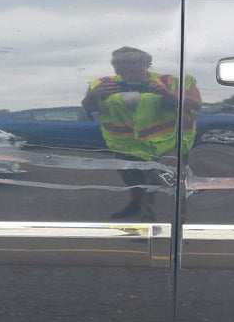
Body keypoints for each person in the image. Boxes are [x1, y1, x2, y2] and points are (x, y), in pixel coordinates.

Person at [82, 46, 200, 220]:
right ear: (115, 68)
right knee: (133, 181)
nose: (128, 73)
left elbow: (196, 104)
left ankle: (160, 220)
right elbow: (89, 108)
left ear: (146, 65)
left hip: (167, 143)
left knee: (158, 182)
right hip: (125, 145)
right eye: (122, 69)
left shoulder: (170, 82)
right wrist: (94, 95)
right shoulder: (101, 84)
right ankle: (136, 205)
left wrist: (168, 94)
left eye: (134, 68)